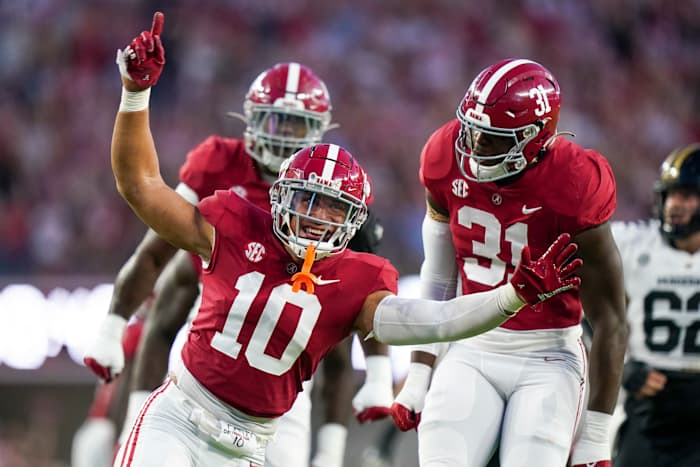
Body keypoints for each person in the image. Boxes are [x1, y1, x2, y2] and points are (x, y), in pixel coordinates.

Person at [84, 13, 583, 467]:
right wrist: (135, 92)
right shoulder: (233, 223)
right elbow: (141, 187)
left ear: (354, 221)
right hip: (180, 417)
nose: (317, 218)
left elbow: (435, 320)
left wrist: (511, 296)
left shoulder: (353, 279)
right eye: (306, 199)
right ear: (279, 196)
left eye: (333, 208)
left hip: (254, 444)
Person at [100, 53, 391, 467]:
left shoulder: (339, 201)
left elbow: (362, 321)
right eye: (278, 122)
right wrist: (113, 331)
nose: (287, 137)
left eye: (299, 126)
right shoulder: (222, 184)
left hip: (279, 392)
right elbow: (159, 260)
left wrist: (376, 385)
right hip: (205, 361)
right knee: (180, 284)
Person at [390, 58, 628, 467]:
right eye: (472, 129)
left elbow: (611, 318)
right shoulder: (445, 155)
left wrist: (595, 436)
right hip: (470, 343)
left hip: (547, 356)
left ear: (535, 138)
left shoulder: (573, 183)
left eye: (492, 137)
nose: (474, 144)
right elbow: (439, 278)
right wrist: (418, 375)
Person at [611, 144, 700, 467]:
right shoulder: (632, 244)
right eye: (671, 194)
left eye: (688, 195)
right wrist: (621, 366)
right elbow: (585, 310)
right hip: (649, 398)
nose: (675, 205)